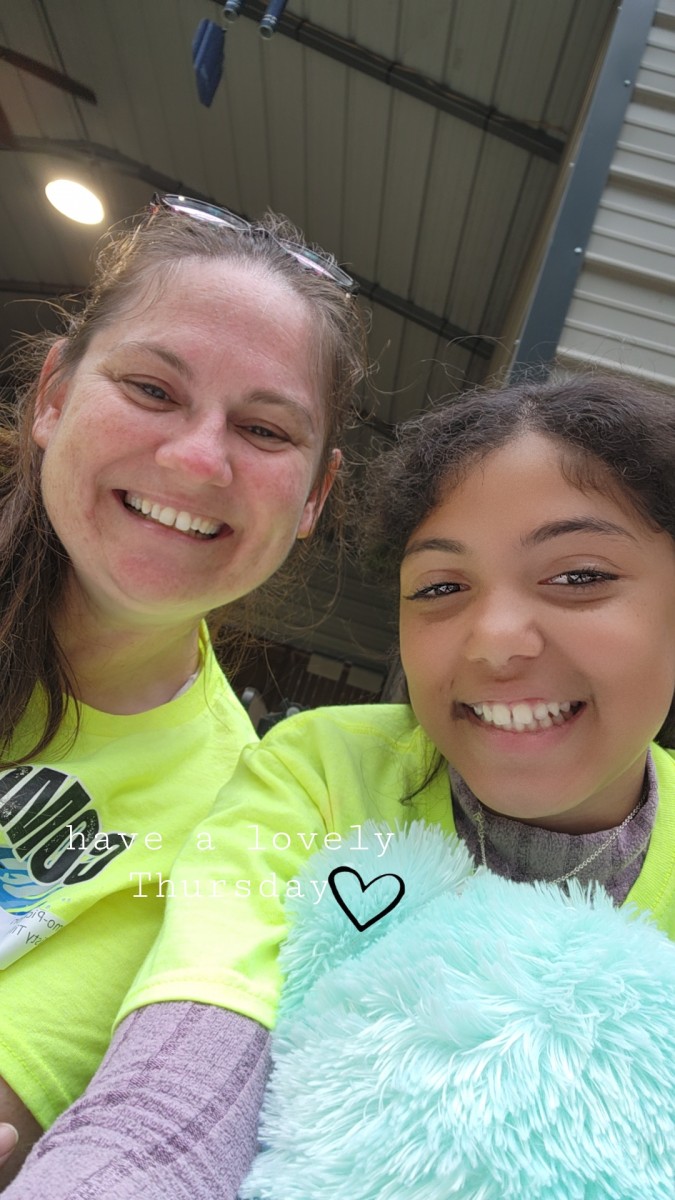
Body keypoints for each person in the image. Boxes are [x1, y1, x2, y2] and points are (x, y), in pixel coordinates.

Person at [6, 372, 675, 1197]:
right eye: (440, 588)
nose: (495, 641)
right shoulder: (320, 772)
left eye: (577, 576)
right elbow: (189, 1063)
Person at [0, 192, 366, 1184]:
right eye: (154, 389)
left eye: (264, 429)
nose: (198, 458)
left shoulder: (239, 817)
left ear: (313, 498)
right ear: (52, 396)